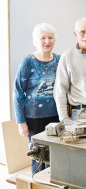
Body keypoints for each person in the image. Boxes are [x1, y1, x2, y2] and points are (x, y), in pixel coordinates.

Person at [13, 23, 60, 173]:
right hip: (34, 118)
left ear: (54, 40)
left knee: (55, 157)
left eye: (50, 38)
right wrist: (21, 122)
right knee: (38, 157)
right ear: (35, 41)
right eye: (43, 38)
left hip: (56, 116)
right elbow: (18, 93)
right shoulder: (27, 62)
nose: (47, 41)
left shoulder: (60, 60)